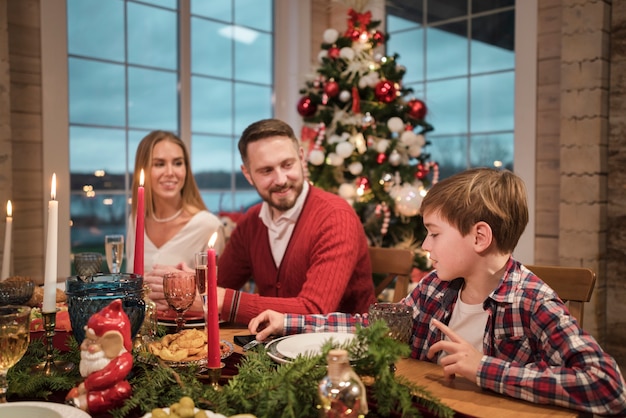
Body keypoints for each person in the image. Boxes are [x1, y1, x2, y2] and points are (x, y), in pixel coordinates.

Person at [248, 168, 626, 416]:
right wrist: (289, 322)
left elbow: (608, 386)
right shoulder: (436, 287)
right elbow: (375, 329)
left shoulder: (532, 301)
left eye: (434, 232)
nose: (425, 245)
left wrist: (483, 369)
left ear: (479, 236)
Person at [214, 118, 376, 324]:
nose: (281, 179)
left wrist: (227, 301)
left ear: (301, 157)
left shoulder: (336, 217)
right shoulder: (251, 223)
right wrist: (189, 285)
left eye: (287, 165)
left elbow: (316, 310)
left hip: (344, 349)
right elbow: (218, 286)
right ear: (247, 174)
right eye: (266, 171)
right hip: (267, 350)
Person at [125, 130, 225, 298]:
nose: (170, 172)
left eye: (178, 163)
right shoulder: (136, 220)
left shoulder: (208, 226)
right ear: (144, 170)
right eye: (159, 164)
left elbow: (217, 299)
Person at [66, 299, 133, 414]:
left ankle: (84, 403)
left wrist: (87, 385)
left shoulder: (123, 359)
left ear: (111, 342)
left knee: (121, 390)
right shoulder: (97, 356)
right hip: (89, 385)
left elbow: (108, 376)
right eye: (87, 340)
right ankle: (78, 398)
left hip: (107, 388)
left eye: (93, 341)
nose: (86, 345)